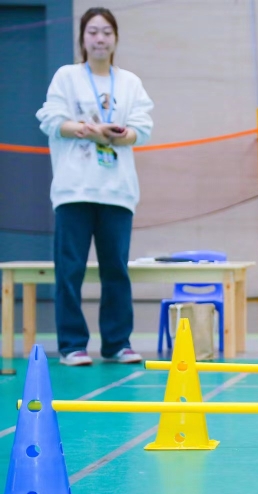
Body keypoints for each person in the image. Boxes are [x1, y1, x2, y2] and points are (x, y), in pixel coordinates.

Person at [35, 7, 154, 366]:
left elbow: (141, 128)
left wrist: (117, 135)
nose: (100, 38)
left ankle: (117, 343)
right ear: (83, 39)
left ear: (115, 39)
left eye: (106, 32)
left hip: (117, 192)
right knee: (69, 270)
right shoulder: (66, 77)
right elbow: (51, 120)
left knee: (115, 270)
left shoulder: (130, 82)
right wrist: (87, 130)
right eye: (93, 32)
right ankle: (72, 345)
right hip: (74, 190)